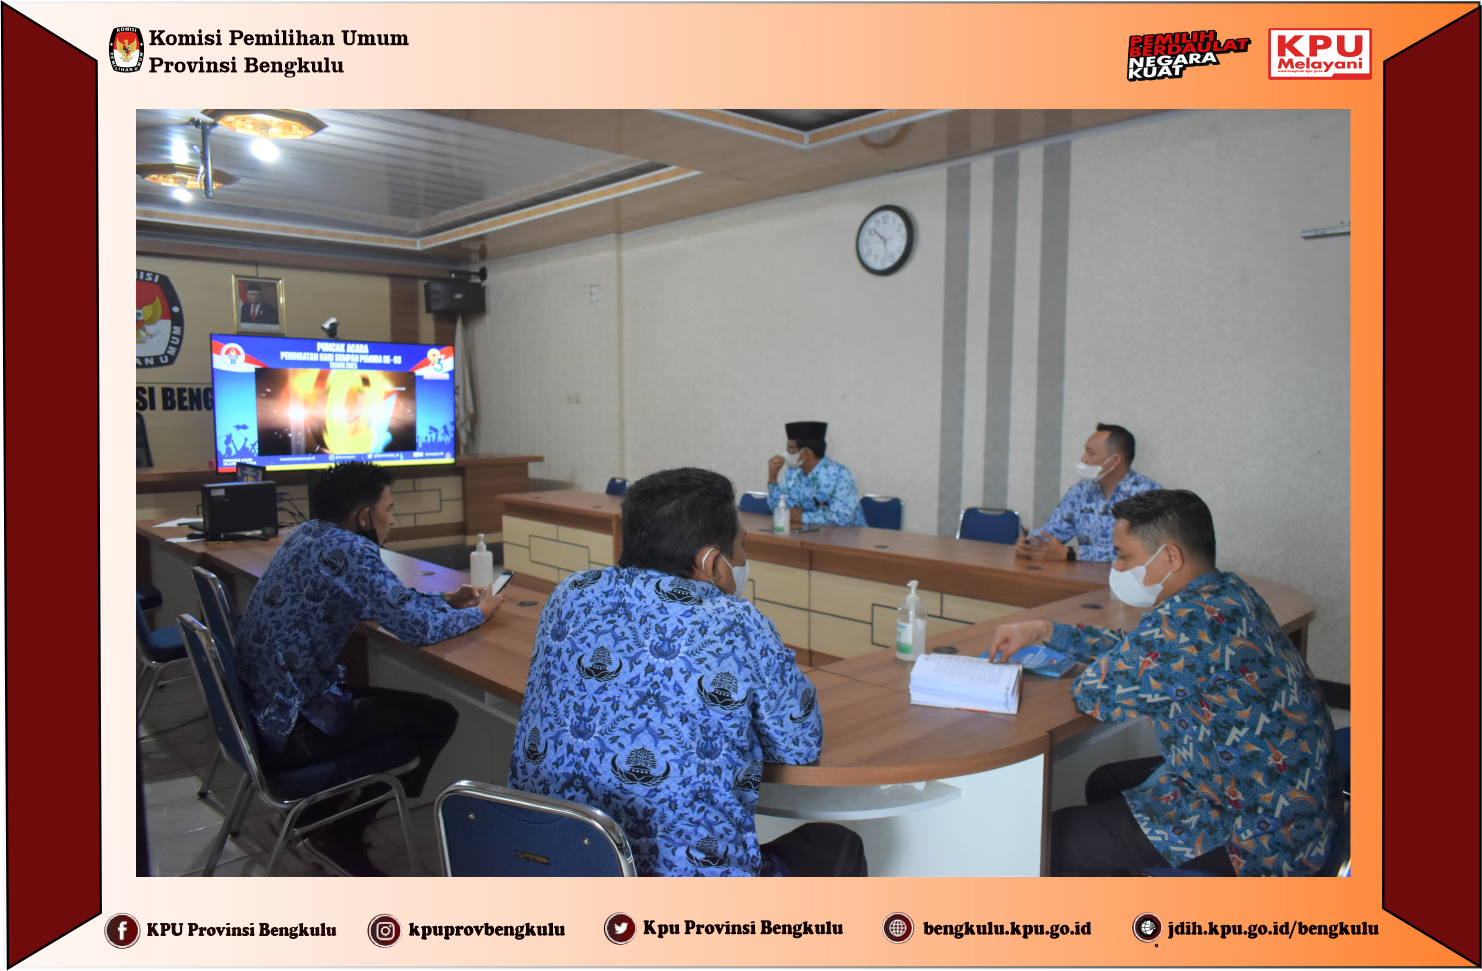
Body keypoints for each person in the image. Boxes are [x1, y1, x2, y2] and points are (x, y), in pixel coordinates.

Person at [509, 467, 867, 877]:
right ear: (712, 563)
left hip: (553, 869)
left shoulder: (569, 593)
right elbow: (799, 745)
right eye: (741, 547)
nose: (743, 560)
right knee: (838, 843)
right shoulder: (737, 623)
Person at [987, 489, 1338, 877]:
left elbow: (1093, 693)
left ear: (1170, 557)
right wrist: (1046, 630)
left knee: (1051, 842)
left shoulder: (1185, 623)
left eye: (1124, 556)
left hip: (1257, 838)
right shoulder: (1228, 592)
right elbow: (1142, 651)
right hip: (1289, 800)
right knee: (1105, 782)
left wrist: (1106, 662)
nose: (1117, 567)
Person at [234, 461, 504, 875]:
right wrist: (480, 613)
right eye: (389, 509)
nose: (392, 519)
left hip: (265, 714)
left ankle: (317, 817)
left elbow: (380, 603)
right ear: (364, 516)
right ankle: (338, 831)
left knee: (401, 708)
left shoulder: (308, 534)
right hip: (295, 727)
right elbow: (416, 629)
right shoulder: (354, 550)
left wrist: (447, 602)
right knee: (437, 717)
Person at [1016, 422, 1160, 561]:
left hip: (1132, 575)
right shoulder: (1081, 490)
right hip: (1084, 574)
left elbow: (1144, 550)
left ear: (1114, 461)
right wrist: (1030, 543)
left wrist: (1072, 553)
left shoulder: (1148, 495)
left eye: (1090, 453)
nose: (1083, 459)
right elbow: (1053, 532)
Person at [766, 421, 866, 527]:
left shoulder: (839, 474)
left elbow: (845, 519)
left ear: (806, 452)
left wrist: (802, 517)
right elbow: (780, 512)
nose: (786, 453)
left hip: (847, 536)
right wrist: (773, 479)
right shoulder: (792, 473)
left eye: (790, 448)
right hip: (805, 533)